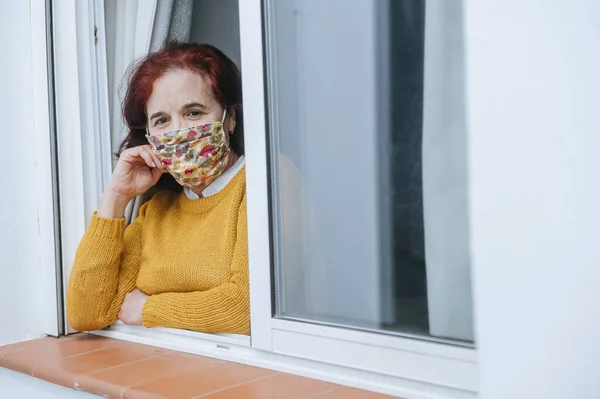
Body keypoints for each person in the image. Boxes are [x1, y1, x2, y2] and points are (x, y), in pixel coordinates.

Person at [66, 42, 250, 335]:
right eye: (162, 120)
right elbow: (87, 313)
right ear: (149, 136)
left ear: (230, 118)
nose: (178, 131)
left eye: (193, 113)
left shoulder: (261, 185)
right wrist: (115, 199)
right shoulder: (157, 209)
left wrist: (147, 309)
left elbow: (246, 308)